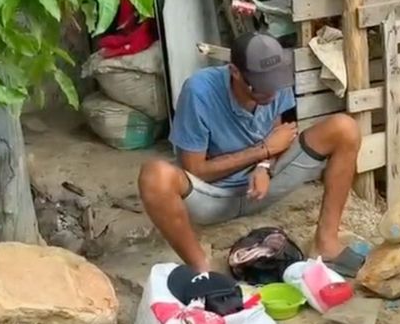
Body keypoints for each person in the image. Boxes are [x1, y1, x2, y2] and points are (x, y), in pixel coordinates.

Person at [137, 31, 366, 276]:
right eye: (260, 88)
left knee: (345, 128)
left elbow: (278, 135)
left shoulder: (275, 84)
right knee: (154, 176)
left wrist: (263, 166)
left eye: (274, 86)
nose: (271, 94)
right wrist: (262, 151)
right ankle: (202, 269)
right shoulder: (199, 91)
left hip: (264, 185)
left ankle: (326, 243)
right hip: (214, 196)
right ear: (235, 72)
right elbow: (196, 170)